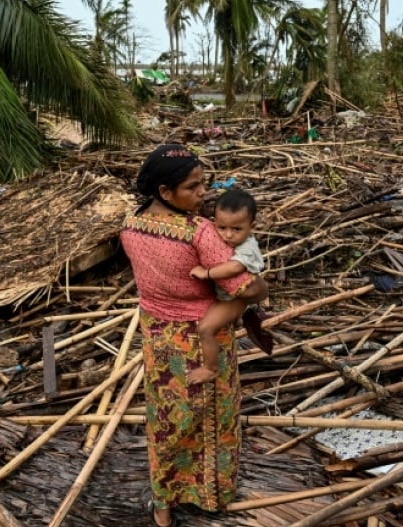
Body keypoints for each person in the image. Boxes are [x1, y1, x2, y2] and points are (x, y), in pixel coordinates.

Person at [120, 144, 269, 527]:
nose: (204, 193)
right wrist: (261, 288)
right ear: (165, 193)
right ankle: (210, 495)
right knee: (213, 417)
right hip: (204, 339)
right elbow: (245, 288)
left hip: (157, 337)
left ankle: (163, 501)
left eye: (205, 183)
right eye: (193, 187)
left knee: (166, 419)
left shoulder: (130, 227)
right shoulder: (199, 232)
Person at [187, 189, 272, 384]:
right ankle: (238, 320)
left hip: (235, 299)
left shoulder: (247, 248)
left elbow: (234, 267)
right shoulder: (225, 237)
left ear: (252, 227)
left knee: (206, 329)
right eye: (222, 227)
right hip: (227, 296)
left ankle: (210, 368)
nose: (228, 235)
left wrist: (205, 273)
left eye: (236, 229)